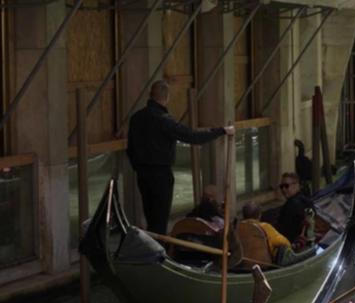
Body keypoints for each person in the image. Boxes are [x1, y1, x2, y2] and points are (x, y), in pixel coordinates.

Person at [127, 79, 234, 235]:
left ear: (150, 95)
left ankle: (152, 248)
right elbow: (192, 137)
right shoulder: (164, 121)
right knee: (159, 221)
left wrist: (137, 167)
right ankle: (158, 253)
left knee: (150, 217)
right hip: (161, 175)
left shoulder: (136, 118)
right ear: (166, 97)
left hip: (142, 174)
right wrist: (222, 131)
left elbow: (130, 149)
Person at [241, 201, 315, 266]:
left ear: (243, 215)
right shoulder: (265, 227)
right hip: (265, 265)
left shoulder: (238, 228)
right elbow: (284, 242)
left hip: (243, 265)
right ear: (259, 215)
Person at [275, 172, 315, 246]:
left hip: (292, 246)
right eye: (281, 186)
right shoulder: (307, 201)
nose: (283, 189)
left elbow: (284, 230)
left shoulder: (291, 205)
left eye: (286, 186)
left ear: (296, 185)